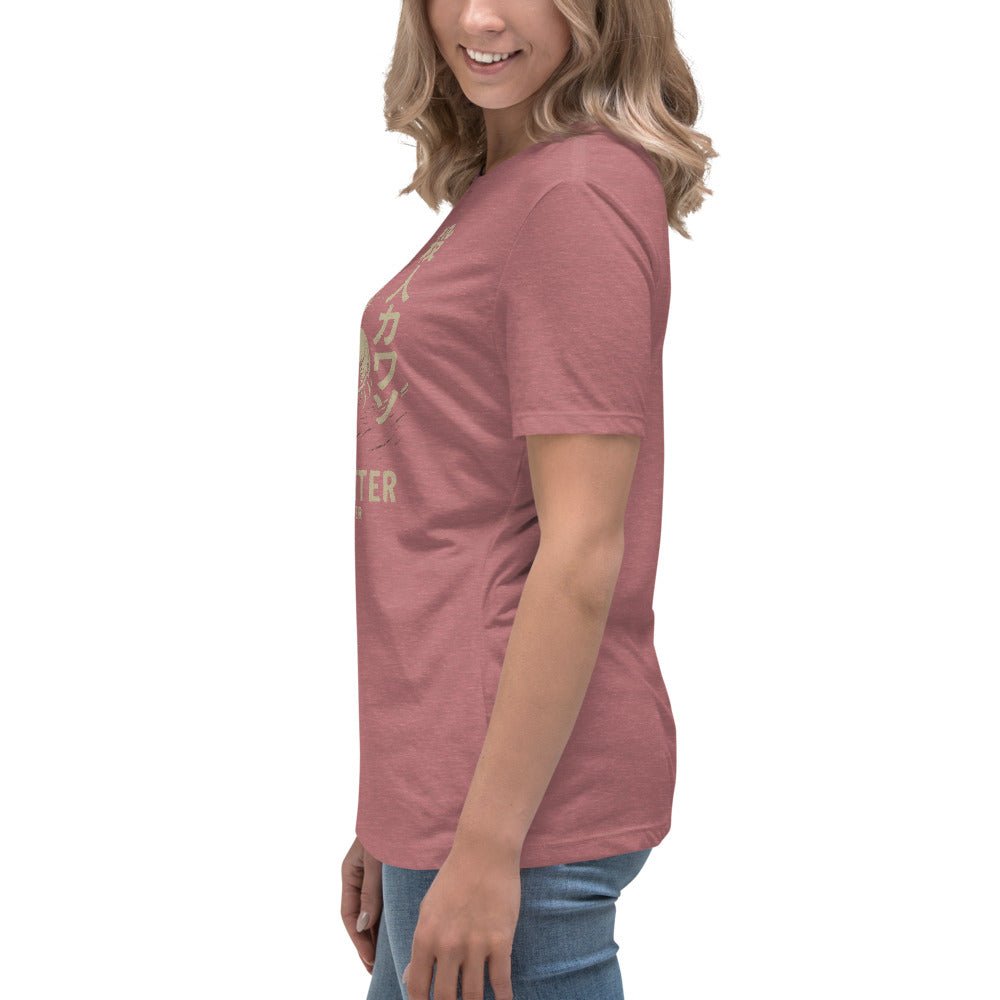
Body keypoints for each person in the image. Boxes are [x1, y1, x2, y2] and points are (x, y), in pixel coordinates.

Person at [344, 1, 716, 997]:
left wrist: (485, 845)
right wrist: (394, 809)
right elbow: (457, 514)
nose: (479, 16)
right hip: (455, 792)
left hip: (518, 813)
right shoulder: (516, 187)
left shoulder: (576, 194)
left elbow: (582, 549)